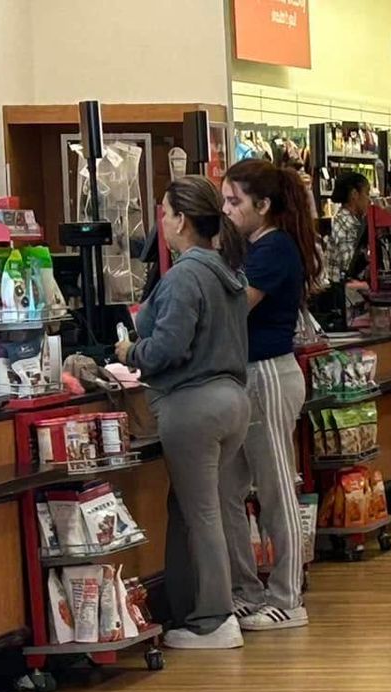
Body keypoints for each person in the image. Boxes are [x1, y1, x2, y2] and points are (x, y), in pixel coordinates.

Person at [116, 176, 251, 651]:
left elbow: (166, 349)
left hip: (192, 406)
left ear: (182, 220)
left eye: (166, 212)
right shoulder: (227, 272)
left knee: (201, 513)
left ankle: (215, 619)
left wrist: (131, 350)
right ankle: (194, 608)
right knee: (202, 508)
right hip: (233, 399)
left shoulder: (184, 277)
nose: (162, 221)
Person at [220, 158, 318, 631]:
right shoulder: (252, 248)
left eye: (234, 201)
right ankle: (247, 589)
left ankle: (287, 594)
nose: (227, 210)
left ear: (263, 205)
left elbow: (234, 308)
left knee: (276, 486)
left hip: (269, 375)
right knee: (228, 487)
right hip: (243, 377)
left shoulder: (273, 249)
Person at [320, 169, 370, 292]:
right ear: (354, 195)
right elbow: (350, 268)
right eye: (366, 193)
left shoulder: (353, 222)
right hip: (343, 295)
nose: (369, 200)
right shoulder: (344, 225)